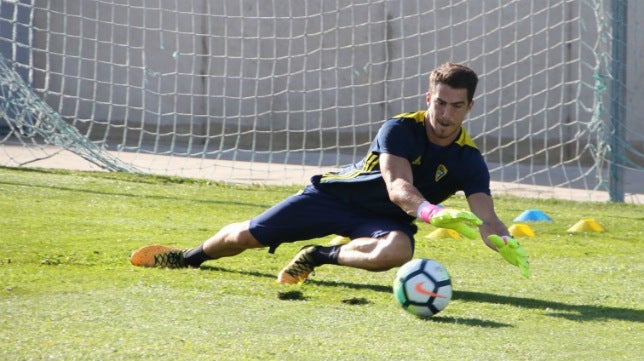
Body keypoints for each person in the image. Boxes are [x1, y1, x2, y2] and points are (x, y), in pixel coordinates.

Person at [130, 62, 530, 282]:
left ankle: (320, 255)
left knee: (399, 251)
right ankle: (187, 258)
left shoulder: (469, 159)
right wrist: (431, 213)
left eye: (455, 106)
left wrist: (504, 241)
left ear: (469, 108)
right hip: (335, 197)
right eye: (439, 103)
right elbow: (398, 186)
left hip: (381, 222)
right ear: (428, 98)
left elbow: (486, 215)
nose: (444, 115)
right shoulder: (400, 128)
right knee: (244, 236)